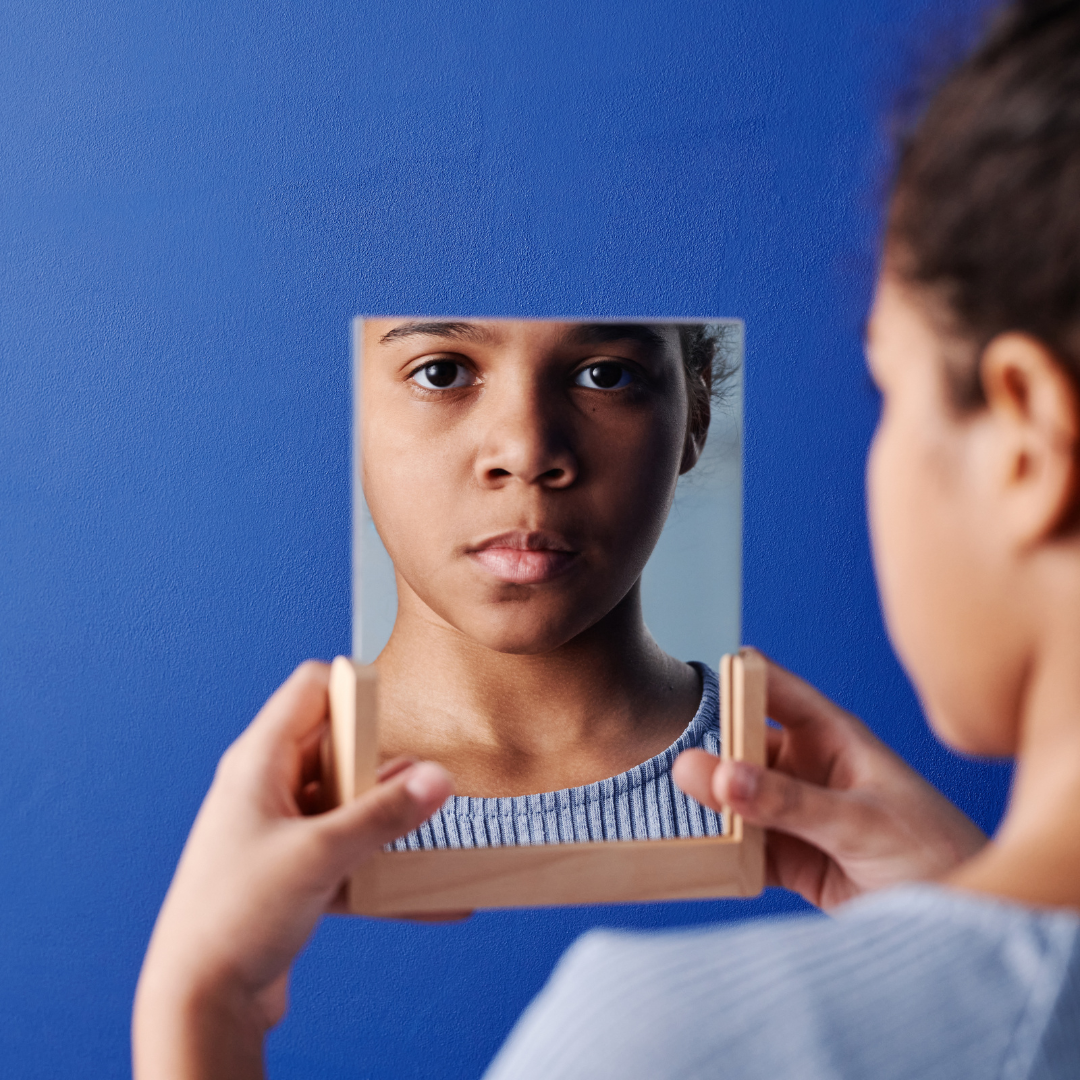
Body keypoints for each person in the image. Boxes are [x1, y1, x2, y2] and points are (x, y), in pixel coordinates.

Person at [132, 0, 1080, 1075]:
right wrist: (957, 924)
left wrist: (198, 1008)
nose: (526, 452)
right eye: (441, 372)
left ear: (1026, 445)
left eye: (889, 387)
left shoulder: (674, 1039)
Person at [359, 317, 737, 847]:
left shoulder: (802, 786)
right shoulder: (267, 805)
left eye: (606, 375)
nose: (527, 453)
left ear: (697, 414)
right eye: (441, 374)